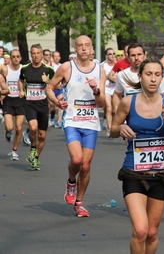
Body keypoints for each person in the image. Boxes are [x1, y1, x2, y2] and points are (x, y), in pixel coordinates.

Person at [110, 57, 164, 254]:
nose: (153, 79)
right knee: (140, 230)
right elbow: (112, 129)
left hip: (161, 174)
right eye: (148, 74)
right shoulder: (128, 102)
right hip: (134, 172)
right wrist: (120, 128)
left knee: (152, 233)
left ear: (162, 77)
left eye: (157, 75)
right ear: (140, 76)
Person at [46, 35, 105, 217]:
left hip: (91, 122)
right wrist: (57, 102)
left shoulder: (99, 70)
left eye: (87, 45)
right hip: (72, 120)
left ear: (92, 49)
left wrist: (96, 90)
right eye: (80, 46)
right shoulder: (66, 67)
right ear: (75, 48)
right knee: (77, 160)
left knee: (86, 166)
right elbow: (49, 87)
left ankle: (79, 203)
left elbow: (102, 103)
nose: (84, 49)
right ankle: (71, 181)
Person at [18, 44, 55, 170]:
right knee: (33, 128)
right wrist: (21, 90)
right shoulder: (25, 69)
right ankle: (33, 148)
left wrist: (47, 82)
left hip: (43, 105)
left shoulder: (49, 69)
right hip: (29, 103)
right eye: (33, 53)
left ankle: (36, 158)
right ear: (31, 54)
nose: (36, 56)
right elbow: (20, 80)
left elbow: (58, 86)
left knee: (42, 135)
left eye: (38, 53)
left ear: (41, 54)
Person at [112, 43, 164, 113]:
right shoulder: (122, 75)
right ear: (128, 58)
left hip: (151, 115)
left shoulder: (154, 74)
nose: (136, 58)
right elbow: (116, 94)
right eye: (133, 55)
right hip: (130, 118)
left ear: (145, 56)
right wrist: (117, 109)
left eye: (139, 54)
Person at [1, 50, 22, 160]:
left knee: (19, 128)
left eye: (17, 56)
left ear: (20, 58)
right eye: (13, 56)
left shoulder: (24, 69)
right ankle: (8, 131)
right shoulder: (5, 69)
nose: (15, 58)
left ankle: (14, 151)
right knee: (10, 127)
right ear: (10, 58)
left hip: (20, 101)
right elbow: (1, 83)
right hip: (8, 100)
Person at [101, 48, 116, 136]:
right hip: (106, 88)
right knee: (109, 108)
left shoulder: (117, 64)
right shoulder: (103, 65)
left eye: (113, 53)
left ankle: (113, 126)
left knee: (114, 110)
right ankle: (109, 128)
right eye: (110, 54)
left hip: (115, 88)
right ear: (106, 56)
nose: (112, 55)